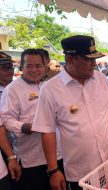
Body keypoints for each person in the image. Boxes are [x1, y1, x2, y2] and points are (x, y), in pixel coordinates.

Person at [32, 35, 108, 190]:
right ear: (70, 60)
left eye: (94, 59)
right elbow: (47, 131)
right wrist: (53, 170)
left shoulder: (101, 79)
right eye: (88, 60)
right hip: (81, 170)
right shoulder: (50, 89)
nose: (93, 64)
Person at [0, 49, 63, 190]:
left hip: (57, 153)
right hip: (31, 158)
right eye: (29, 66)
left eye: (38, 66)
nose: (34, 70)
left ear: (45, 67)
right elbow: (6, 119)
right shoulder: (12, 90)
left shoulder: (48, 87)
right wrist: (25, 127)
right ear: (21, 67)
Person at [0, 52, 21, 190]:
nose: (10, 70)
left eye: (11, 66)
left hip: (21, 146)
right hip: (5, 149)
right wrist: (10, 156)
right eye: (5, 67)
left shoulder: (16, 88)